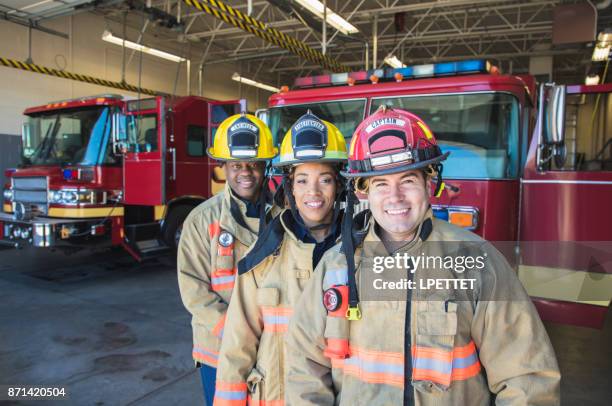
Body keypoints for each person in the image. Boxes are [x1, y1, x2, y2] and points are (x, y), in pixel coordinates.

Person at [285, 106, 561, 405]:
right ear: (363, 192)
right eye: (381, 184)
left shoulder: (476, 261)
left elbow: (527, 379)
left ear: (430, 183)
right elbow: (304, 370)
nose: (395, 197)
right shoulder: (336, 265)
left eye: (407, 181)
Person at [213, 112, 348, 406]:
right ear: (289, 187)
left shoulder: (360, 254)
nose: (312, 192)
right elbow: (237, 348)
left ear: (339, 185)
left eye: (324, 179)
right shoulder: (262, 258)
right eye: (302, 180)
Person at [178, 113, 278, 406]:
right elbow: (193, 290)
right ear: (223, 167)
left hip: (272, 347)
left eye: (253, 164)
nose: (245, 172)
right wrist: (236, 331)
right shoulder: (201, 220)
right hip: (218, 349)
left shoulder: (283, 216)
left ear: (265, 166)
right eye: (236, 165)